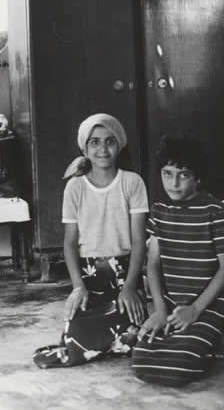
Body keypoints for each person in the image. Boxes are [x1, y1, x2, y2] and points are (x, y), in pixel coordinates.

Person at [33, 113, 149, 369]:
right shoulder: (75, 187)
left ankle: (107, 341)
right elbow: (70, 243)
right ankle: (93, 342)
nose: (102, 149)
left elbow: (140, 241)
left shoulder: (133, 183)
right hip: (89, 276)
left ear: (119, 145)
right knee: (76, 343)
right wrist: (77, 286)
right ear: (84, 148)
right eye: (94, 142)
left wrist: (130, 287)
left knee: (137, 340)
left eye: (109, 141)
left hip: (125, 273)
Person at [131, 135, 224, 386]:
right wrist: (160, 310)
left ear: (198, 178)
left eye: (183, 175)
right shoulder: (160, 211)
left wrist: (195, 310)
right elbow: (153, 265)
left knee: (179, 367)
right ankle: (203, 340)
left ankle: (218, 335)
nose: (174, 183)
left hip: (208, 305)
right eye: (167, 174)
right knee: (141, 361)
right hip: (171, 304)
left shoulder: (214, 211)